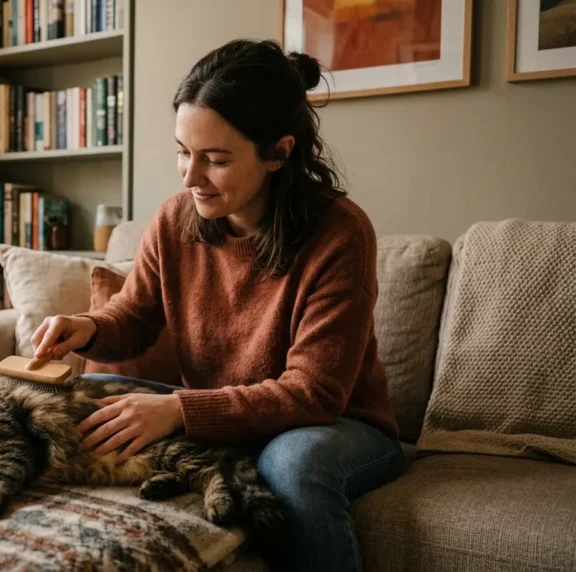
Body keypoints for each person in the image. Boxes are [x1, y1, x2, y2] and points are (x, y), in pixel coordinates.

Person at [29, 39, 404, 572]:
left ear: (278, 151)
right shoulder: (175, 219)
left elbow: (314, 393)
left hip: (337, 426)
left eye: (216, 159)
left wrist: (180, 409)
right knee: (88, 397)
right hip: (223, 411)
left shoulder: (339, 234)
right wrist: (86, 329)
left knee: (292, 463)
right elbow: (134, 319)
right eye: (183, 151)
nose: (189, 176)